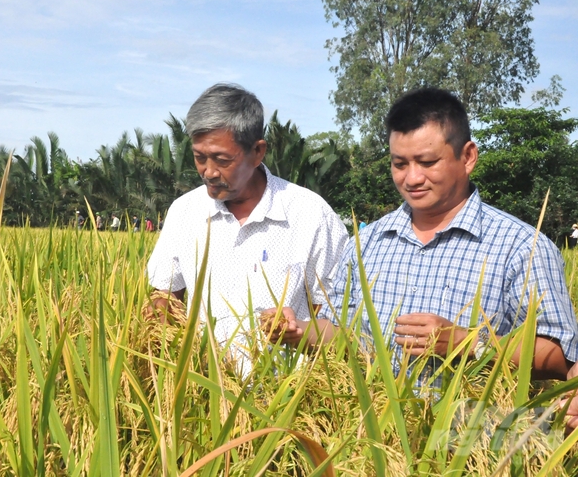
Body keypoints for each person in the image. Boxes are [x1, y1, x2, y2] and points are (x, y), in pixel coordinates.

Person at [266, 87, 578, 382]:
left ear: (468, 157)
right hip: (371, 432)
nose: (412, 178)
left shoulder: (522, 247)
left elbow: (561, 355)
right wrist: (299, 331)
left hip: (470, 435)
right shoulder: (367, 243)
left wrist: (464, 341)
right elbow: (343, 334)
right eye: (399, 164)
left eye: (428, 162)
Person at [146, 83, 348, 365]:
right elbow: (166, 294)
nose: (209, 171)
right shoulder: (185, 212)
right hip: (203, 390)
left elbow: (337, 321)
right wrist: (159, 314)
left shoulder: (311, 215)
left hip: (287, 396)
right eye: (199, 157)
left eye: (222, 159)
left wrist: (294, 331)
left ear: (257, 152)